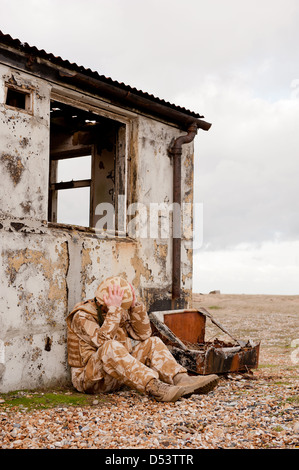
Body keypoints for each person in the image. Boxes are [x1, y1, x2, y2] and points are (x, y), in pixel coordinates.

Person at [66, 276, 219, 402]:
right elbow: (102, 342)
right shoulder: (82, 315)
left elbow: (143, 335)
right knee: (109, 346)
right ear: (102, 302)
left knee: (153, 342)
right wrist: (114, 310)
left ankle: (182, 380)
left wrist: (134, 306)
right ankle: (156, 388)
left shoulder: (119, 310)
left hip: (118, 375)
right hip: (91, 380)